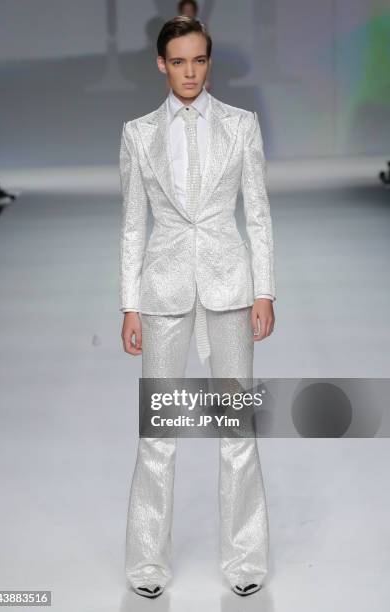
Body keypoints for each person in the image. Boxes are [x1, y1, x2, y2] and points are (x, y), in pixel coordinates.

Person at [119, 16, 276, 599]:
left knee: (236, 425)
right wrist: (128, 305)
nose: (190, 72)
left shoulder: (241, 126)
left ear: (210, 63)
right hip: (161, 292)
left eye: (199, 61)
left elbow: (257, 212)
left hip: (230, 286)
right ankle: (146, 565)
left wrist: (266, 290)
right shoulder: (137, 134)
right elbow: (133, 225)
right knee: (158, 430)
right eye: (179, 61)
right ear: (162, 64)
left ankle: (245, 559)